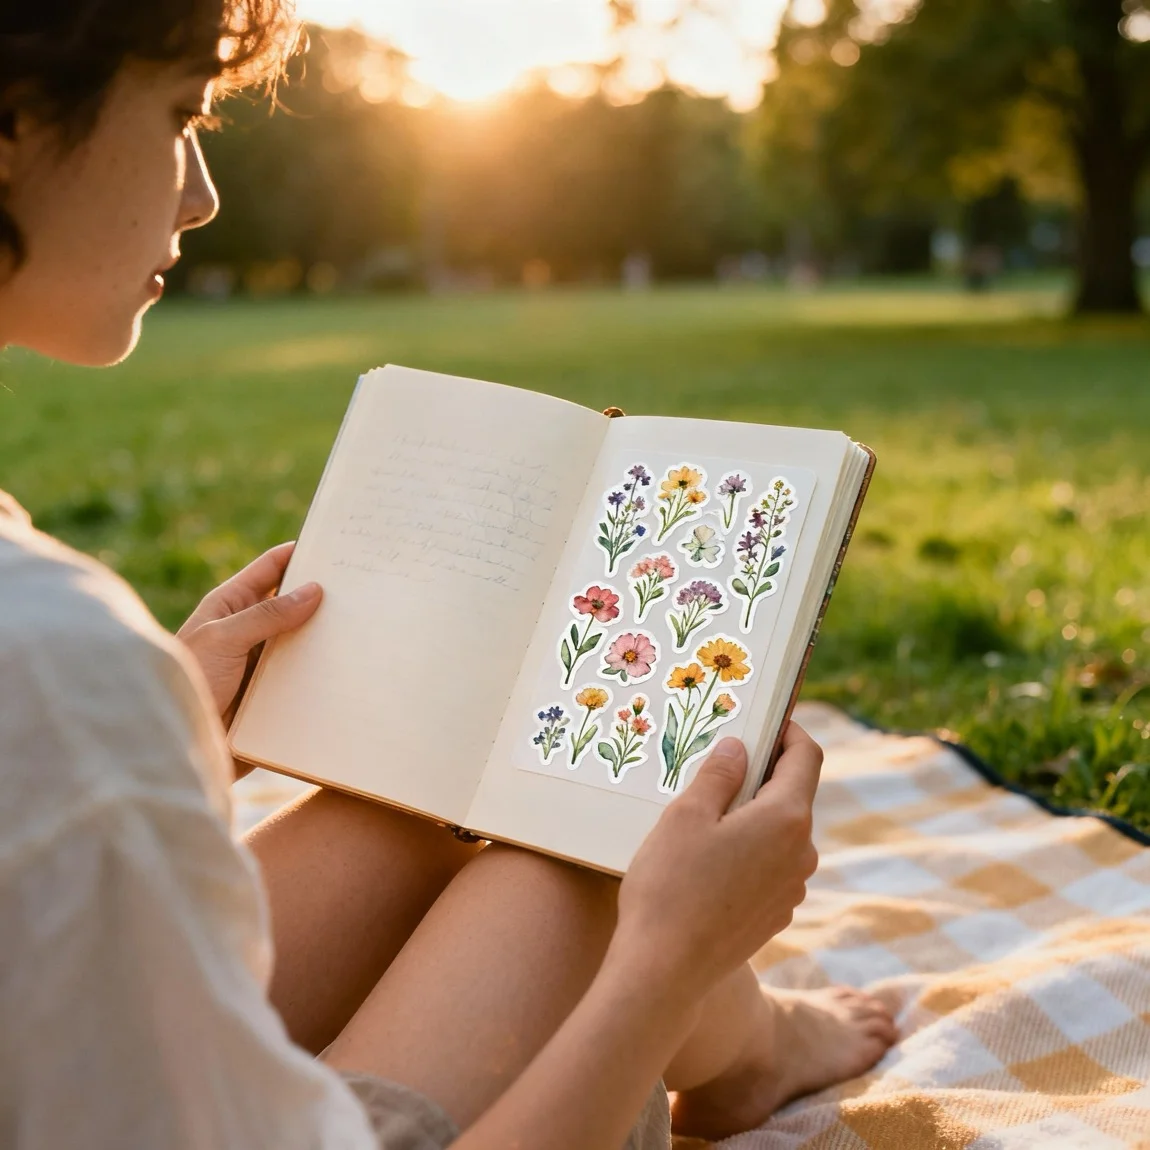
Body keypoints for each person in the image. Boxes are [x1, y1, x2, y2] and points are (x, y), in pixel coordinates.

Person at [0, 2, 897, 1146]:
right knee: (575, 854)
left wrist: (162, 733)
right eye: (182, 115)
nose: (203, 193)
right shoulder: (52, 653)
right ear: (13, 125)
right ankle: (750, 1040)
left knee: (415, 815)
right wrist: (665, 967)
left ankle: (755, 1039)